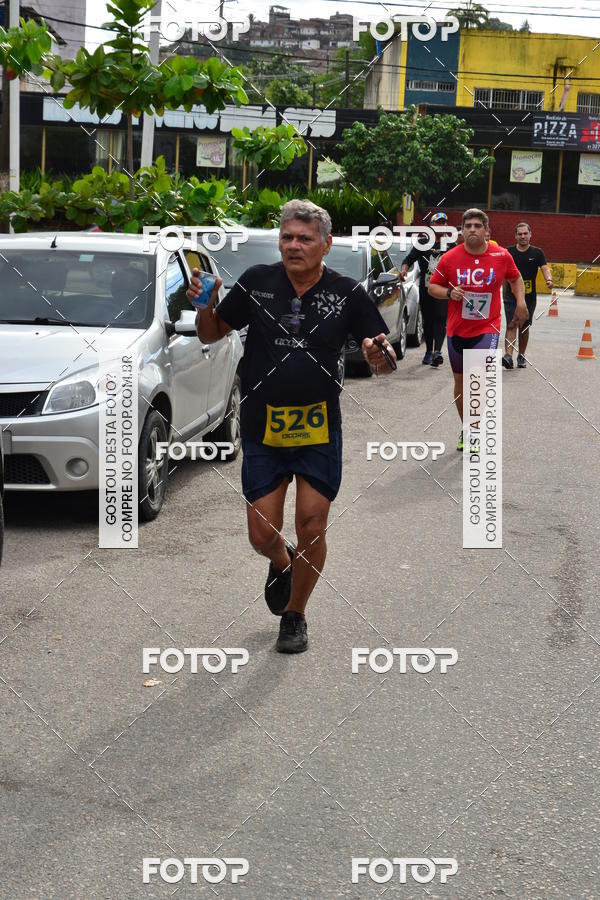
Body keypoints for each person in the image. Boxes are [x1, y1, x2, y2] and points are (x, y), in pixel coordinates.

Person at [186, 200, 396, 653]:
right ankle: (282, 562)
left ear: (326, 243)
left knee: (312, 523)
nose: (294, 245)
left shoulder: (347, 293)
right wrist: (204, 307)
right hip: (263, 426)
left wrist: (379, 356)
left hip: (318, 427)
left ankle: (295, 615)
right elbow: (211, 332)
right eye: (287, 237)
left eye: (304, 238)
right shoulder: (258, 282)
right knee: (262, 533)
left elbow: (379, 355)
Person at [428, 208, 528, 452]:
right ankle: (468, 428)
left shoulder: (501, 255)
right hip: (456, 330)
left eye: (477, 225)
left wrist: (521, 302)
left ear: (486, 230)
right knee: (461, 383)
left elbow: (515, 278)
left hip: (488, 326)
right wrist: (450, 293)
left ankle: (474, 429)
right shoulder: (450, 258)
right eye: (468, 226)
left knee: (477, 379)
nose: (472, 229)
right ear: (462, 231)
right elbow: (433, 287)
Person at [399, 211, 456, 367]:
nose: (441, 225)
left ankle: (437, 352)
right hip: (426, 288)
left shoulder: (451, 245)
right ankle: (428, 351)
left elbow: (460, 263)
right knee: (428, 320)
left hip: (444, 289)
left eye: (444, 223)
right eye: (438, 223)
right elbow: (408, 260)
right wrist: (404, 270)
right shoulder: (423, 243)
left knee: (440, 318)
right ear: (432, 226)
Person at [502, 222, 553, 369]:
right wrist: (502, 290)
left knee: (524, 326)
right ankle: (508, 356)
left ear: (530, 235)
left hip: (529, 297)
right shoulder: (508, 252)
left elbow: (545, 269)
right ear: (515, 236)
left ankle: (521, 356)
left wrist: (548, 280)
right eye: (520, 234)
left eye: (525, 233)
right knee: (511, 324)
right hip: (511, 296)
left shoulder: (537, 253)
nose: (523, 236)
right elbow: (502, 272)